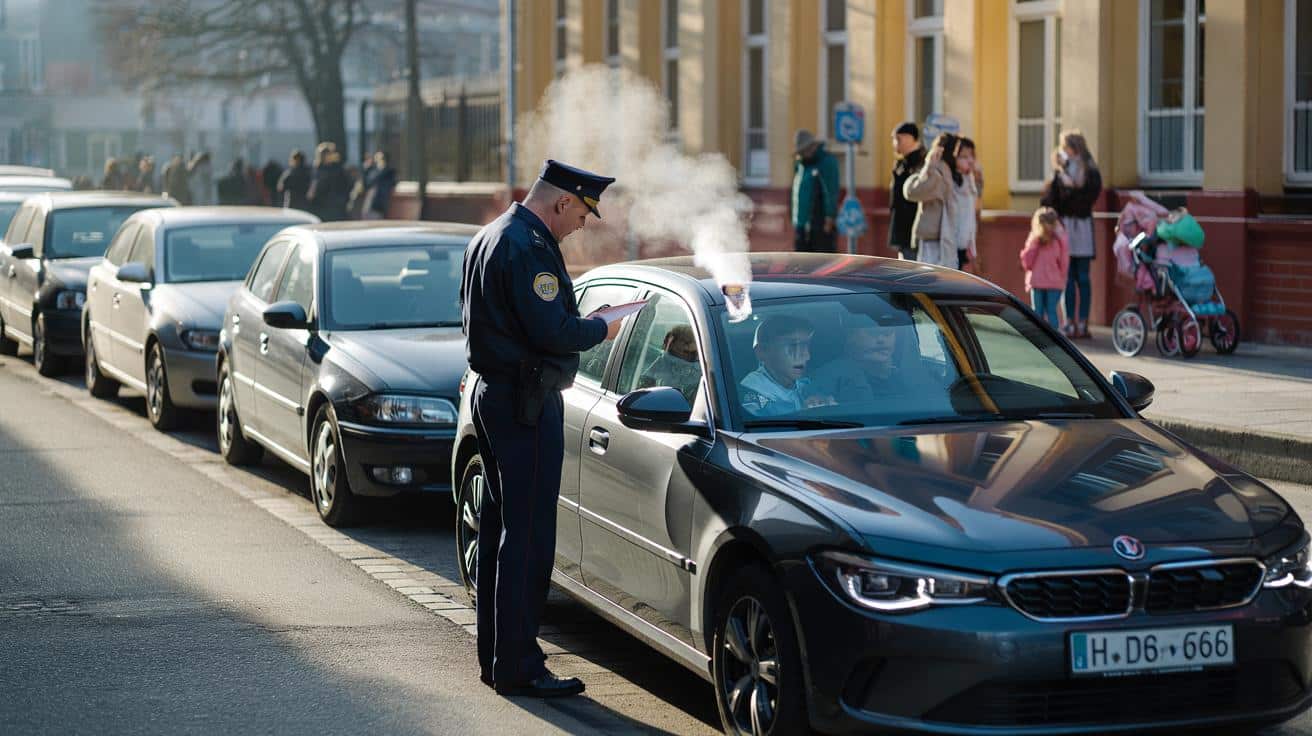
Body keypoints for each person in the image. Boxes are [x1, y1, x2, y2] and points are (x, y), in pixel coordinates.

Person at [460, 159, 621, 698]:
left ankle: (498, 659)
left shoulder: (490, 235)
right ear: (561, 202)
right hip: (525, 401)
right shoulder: (528, 247)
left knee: (500, 531)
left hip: (492, 392)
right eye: (581, 214)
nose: (582, 226)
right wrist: (605, 324)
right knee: (527, 539)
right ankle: (522, 666)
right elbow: (553, 331)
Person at [1041, 129, 1102, 338]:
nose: (1063, 151)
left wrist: (1070, 189)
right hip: (1065, 227)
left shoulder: (1090, 171)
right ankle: (1069, 322)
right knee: (1066, 278)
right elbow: (1051, 199)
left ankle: (1083, 322)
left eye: (1066, 146)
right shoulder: (1060, 172)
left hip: (1082, 228)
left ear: (1074, 148)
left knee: (1083, 277)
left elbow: (1085, 199)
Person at [811, 315, 917, 403]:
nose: (881, 340)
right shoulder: (830, 376)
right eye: (873, 333)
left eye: (887, 332)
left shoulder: (913, 372)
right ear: (850, 336)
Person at [739, 315, 829, 417]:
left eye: (806, 346)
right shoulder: (750, 395)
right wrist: (804, 415)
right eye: (793, 346)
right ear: (762, 352)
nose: (807, 356)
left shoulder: (804, 385)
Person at [903, 133, 960, 269]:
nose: (958, 155)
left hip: (941, 238)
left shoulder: (952, 172)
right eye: (957, 150)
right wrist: (928, 168)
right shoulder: (938, 172)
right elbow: (910, 191)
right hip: (933, 241)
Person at [791, 130, 840, 253]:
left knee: (823, 262)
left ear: (813, 146)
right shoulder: (801, 164)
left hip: (820, 223)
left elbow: (831, 191)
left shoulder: (827, 162)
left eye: (804, 150)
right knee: (802, 265)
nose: (802, 154)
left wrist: (830, 216)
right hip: (802, 224)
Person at [1020, 206, 1070, 328]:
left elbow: (1027, 262)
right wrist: (1062, 277)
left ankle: (1037, 339)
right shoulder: (1059, 241)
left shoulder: (1034, 241)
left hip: (1037, 282)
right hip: (1054, 282)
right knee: (1051, 311)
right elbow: (1064, 262)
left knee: (1037, 312)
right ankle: (1054, 340)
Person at [888, 122, 926, 260]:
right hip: (902, 230)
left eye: (899, 138)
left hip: (914, 231)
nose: (895, 143)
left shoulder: (922, 162)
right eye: (894, 139)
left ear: (911, 138)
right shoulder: (901, 163)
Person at [637, 325, 701, 403]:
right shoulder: (663, 362)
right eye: (671, 352)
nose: (672, 358)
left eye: (690, 353)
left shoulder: (704, 373)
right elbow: (642, 394)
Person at [946, 137, 980, 270]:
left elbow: (972, 215)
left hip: (964, 245)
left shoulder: (969, 179)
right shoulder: (949, 180)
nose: (970, 160)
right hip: (950, 246)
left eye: (972, 156)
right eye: (964, 156)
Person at [309, 143, 351, 221]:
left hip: (336, 204)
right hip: (321, 204)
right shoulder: (317, 168)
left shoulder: (337, 168)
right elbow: (315, 185)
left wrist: (343, 200)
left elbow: (346, 184)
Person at [361, 152, 397, 220]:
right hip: (371, 199)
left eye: (379, 158)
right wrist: (365, 170)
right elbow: (367, 184)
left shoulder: (389, 171)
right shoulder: (373, 171)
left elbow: (389, 182)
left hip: (381, 200)